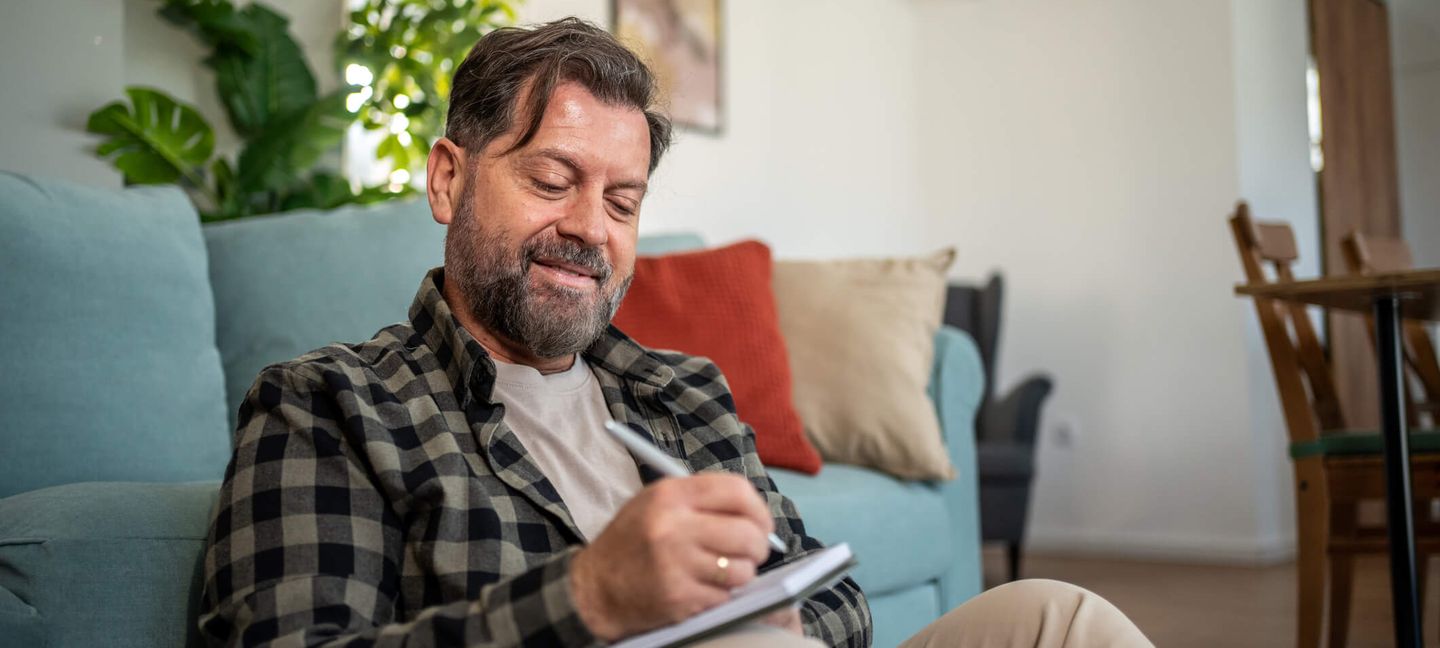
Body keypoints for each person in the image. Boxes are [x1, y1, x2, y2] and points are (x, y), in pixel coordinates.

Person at [198, 17, 1150, 648]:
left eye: (622, 200)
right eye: (549, 179)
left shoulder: (681, 391)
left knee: (1060, 619)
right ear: (450, 178)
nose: (589, 229)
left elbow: (835, 594)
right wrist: (590, 598)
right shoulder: (330, 405)